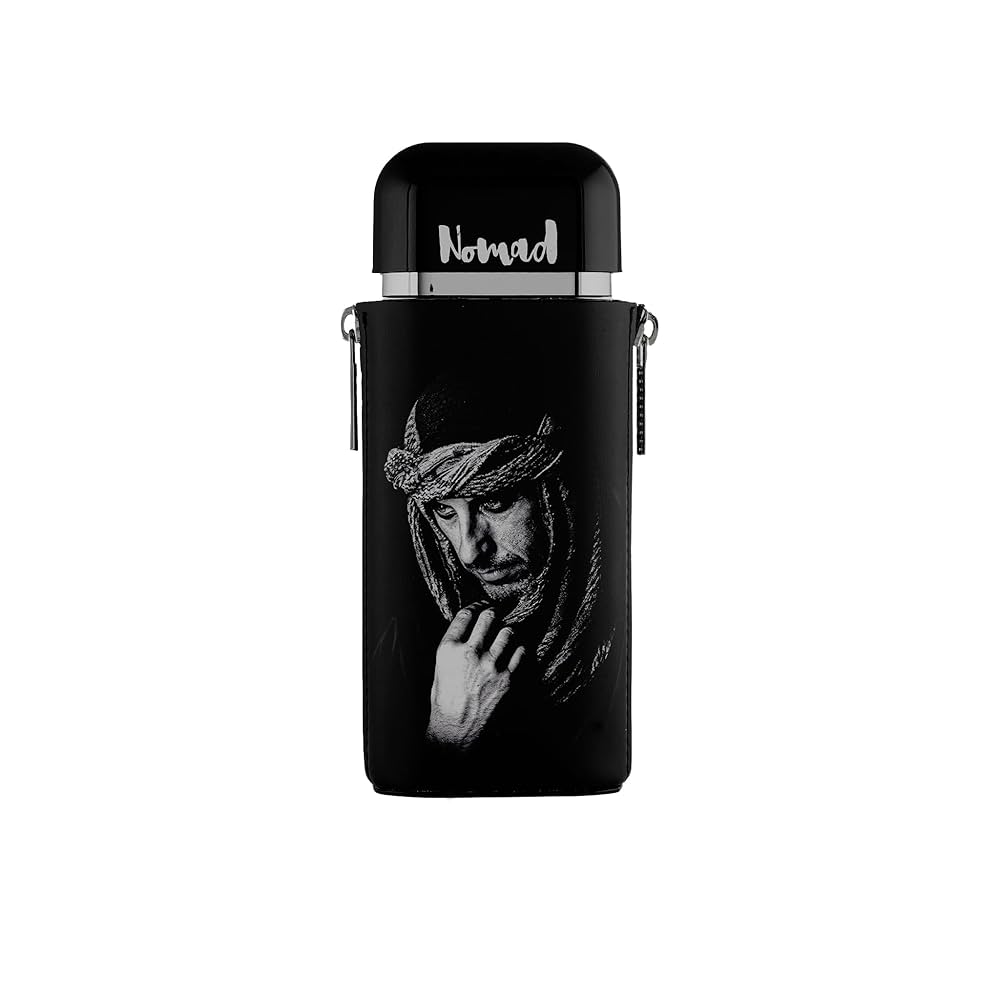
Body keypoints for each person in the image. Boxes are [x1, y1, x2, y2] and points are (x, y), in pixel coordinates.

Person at [383, 373, 617, 764]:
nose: (469, 552)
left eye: (496, 502)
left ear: (560, 493)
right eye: (445, 511)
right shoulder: (395, 648)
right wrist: (449, 733)